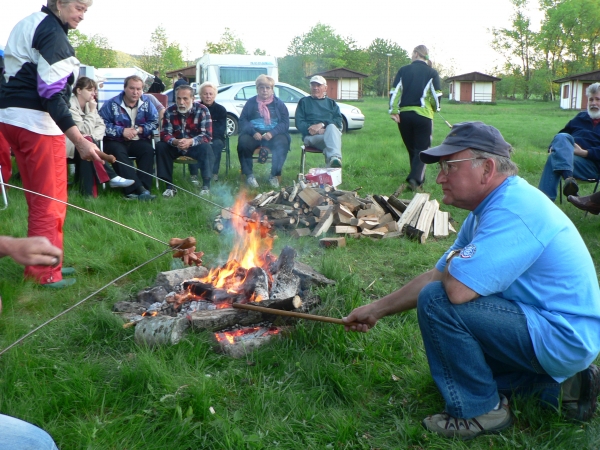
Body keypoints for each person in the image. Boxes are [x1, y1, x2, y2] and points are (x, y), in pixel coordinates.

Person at [344, 121, 600, 441]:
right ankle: (563, 388)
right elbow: (437, 275)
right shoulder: (488, 208)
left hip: (561, 333)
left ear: (487, 168)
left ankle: (481, 410)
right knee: (457, 368)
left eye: (449, 166)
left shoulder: (513, 210)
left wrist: (457, 263)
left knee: (437, 303)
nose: (440, 178)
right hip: (550, 325)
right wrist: (375, 309)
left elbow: (454, 289)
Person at [0, 0, 102, 288]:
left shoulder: (30, 22)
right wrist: (79, 140)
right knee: (49, 201)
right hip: (37, 125)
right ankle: (43, 272)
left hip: (11, 119)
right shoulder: (54, 34)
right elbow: (51, 94)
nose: (82, 15)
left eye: (86, 10)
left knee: (39, 198)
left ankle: (50, 260)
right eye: (79, 7)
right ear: (59, 3)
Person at [67, 76, 134, 196]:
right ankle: (111, 176)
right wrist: (92, 112)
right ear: (79, 90)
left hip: (85, 144)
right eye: (89, 90)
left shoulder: (89, 104)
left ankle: (87, 195)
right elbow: (84, 129)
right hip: (69, 143)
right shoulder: (71, 105)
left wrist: (90, 137)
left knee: (88, 145)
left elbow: (101, 126)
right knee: (88, 143)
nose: (93, 93)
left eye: (94, 90)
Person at [389, 45, 442, 191]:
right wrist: (436, 108)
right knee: (422, 149)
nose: (411, 56)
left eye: (412, 53)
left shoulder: (403, 70)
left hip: (404, 116)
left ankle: (418, 179)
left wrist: (394, 111)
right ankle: (415, 179)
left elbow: (395, 91)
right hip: (423, 116)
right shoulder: (432, 72)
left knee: (412, 148)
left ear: (416, 54)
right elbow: (436, 94)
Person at [99, 75, 158, 201]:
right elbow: (101, 124)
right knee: (118, 151)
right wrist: (122, 131)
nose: (135, 92)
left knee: (147, 150)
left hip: (138, 139)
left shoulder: (147, 103)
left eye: (138, 89)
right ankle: (137, 190)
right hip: (116, 140)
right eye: (132, 88)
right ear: (125, 88)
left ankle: (145, 189)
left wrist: (139, 129)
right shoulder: (111, 104)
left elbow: (155, 122)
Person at [538, 82, 600, 201]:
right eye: (591, 99)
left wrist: (585, 152)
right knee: (562, 137)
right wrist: (552, 147)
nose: (593, 103)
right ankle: (569, 179)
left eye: (598, 99)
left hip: (591, 166)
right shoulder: (580, 117)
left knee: (554, 159)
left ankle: (544, 202)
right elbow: (561, 136)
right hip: (569, 158)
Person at [156, 84, 214, 196]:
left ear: (192, 99)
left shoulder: (202, 110)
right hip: (175, 145)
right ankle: (169, 186)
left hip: (195, 146)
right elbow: (165, 133)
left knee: (206, 147)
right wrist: (175, 141)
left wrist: (190, 141)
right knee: (161, 146)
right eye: (178, 98)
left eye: (185, 99)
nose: (181, 102)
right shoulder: (169, 111)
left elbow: (207, 135)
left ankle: (206, 186)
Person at [237, 75, 291, 188]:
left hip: (274, 134)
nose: (264, 90)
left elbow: (285, 122)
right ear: (257, 89)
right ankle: (249, 176)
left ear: (272, 89)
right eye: (261, 87)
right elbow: (243, 120)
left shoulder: (279, 104)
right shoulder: (251, 103)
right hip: (254, 133)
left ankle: (274, 175)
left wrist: (272, 133)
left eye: (267, 87)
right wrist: (253, 132)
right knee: (243, 143)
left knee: (282, 143)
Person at [296, 75, 343, 169]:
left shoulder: (331, 103)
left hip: (328, 134)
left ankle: (332, 163)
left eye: (318, 85)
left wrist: (322, 125)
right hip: (311, 137)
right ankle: (335, 161)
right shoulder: (304, 102)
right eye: (313, 85)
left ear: (325, 88)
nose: (315, 88)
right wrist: (317, 130)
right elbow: (299, 123)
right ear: (310, 87)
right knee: (333, 142)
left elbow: (338, 121)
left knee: (331, 129)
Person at [195, 81, 227, 183]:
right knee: (194, 144)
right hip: (198, 137)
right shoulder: (195, 108)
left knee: (217, 145)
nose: (208, 96)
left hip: (216, 137)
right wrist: (202, 137)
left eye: (210, 94)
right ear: (200, 95)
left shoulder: (221, 110)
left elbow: (221, 129)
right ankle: (194, 174)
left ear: (215, 95)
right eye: (205, 94)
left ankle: (214, 173)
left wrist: (209, 137)